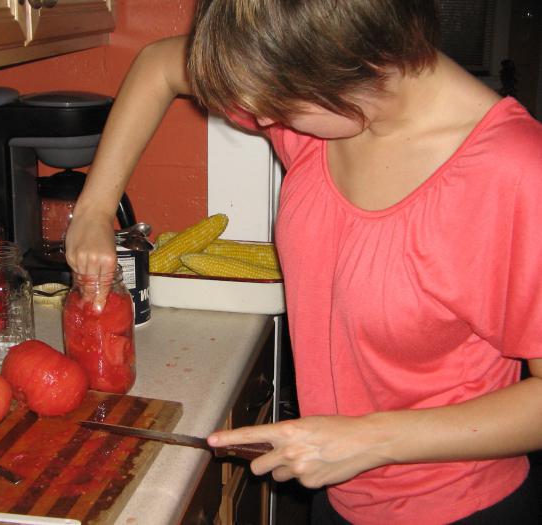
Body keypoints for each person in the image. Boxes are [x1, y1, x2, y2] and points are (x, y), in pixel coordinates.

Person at [65, 1, 542, 523]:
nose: (263, 120)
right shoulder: (326, 110)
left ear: (365, 60)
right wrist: (93, 210)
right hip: (339, 494)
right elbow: (159, 64)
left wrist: (371, 440)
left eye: (279, 102)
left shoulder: (514, 176)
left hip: (457, 507)